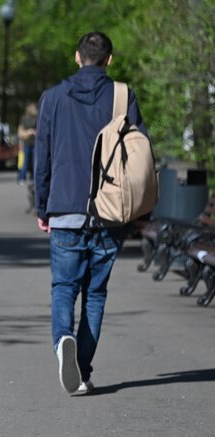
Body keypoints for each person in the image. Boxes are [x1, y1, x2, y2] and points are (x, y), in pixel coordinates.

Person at [35, 31, 146, 396]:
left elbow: (43, 156)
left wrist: (42, 206)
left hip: (65, 206)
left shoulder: (52, 98)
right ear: (109, 60)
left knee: (64, 288)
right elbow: (139, 154)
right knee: (95, 294)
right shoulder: (122, 96)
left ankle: (63, 339)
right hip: (110, 210)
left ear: (76, 56)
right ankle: (82, 368)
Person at [17, 101, 38, 212]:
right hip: (27, 143)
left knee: (35, 162)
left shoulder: (38, 118)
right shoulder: (24, 119)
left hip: (35, 143)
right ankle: (22, 177)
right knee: (25, 162)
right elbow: (20, 132)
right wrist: (27, 132)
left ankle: (33, 179)